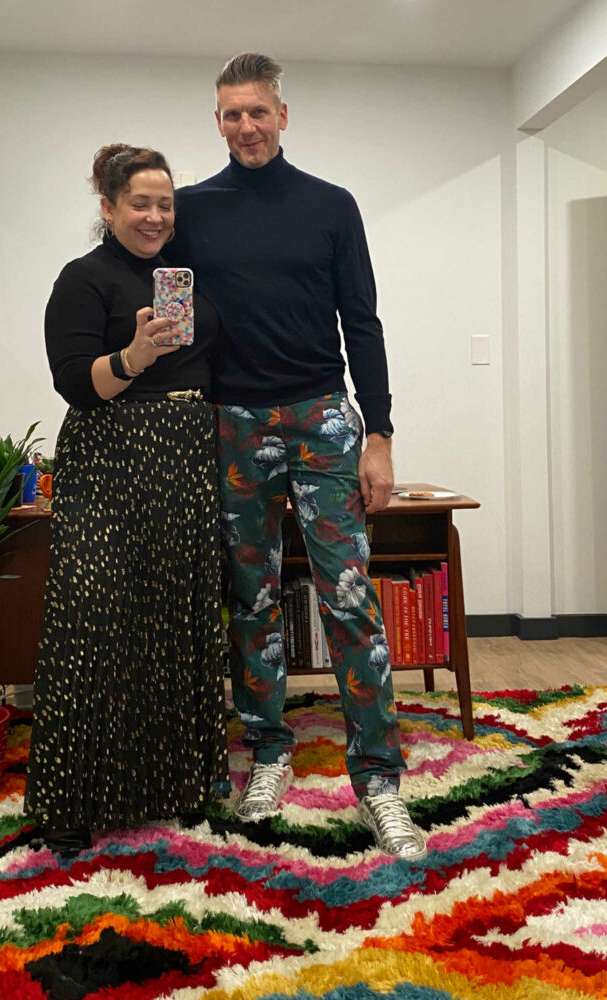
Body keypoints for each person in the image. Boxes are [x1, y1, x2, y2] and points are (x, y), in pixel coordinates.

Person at [170, 54, 426, 860]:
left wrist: (378, 434)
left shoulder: (330, 205)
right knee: (250, 600)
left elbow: (365, 321)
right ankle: (270, 755)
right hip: (233, 424)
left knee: (347, 599)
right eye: (229, 114)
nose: (244, 125)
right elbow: (169, 313)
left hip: (322, 419)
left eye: (257, 111)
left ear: (283, 114)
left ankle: (379, 780)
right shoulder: (191, 211)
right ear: (217, 121)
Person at [25, 144, 228, 854]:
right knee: (94, 626)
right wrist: (135, 357)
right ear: (107, 207)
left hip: (184, 457)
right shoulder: (83, 279)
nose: (154, 215)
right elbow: (76, 384)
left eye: (164, 203)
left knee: (176, 618)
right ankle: (71, 802)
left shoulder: (184, 278)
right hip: (109, 458)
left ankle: (179, 782)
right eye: (139, 202)